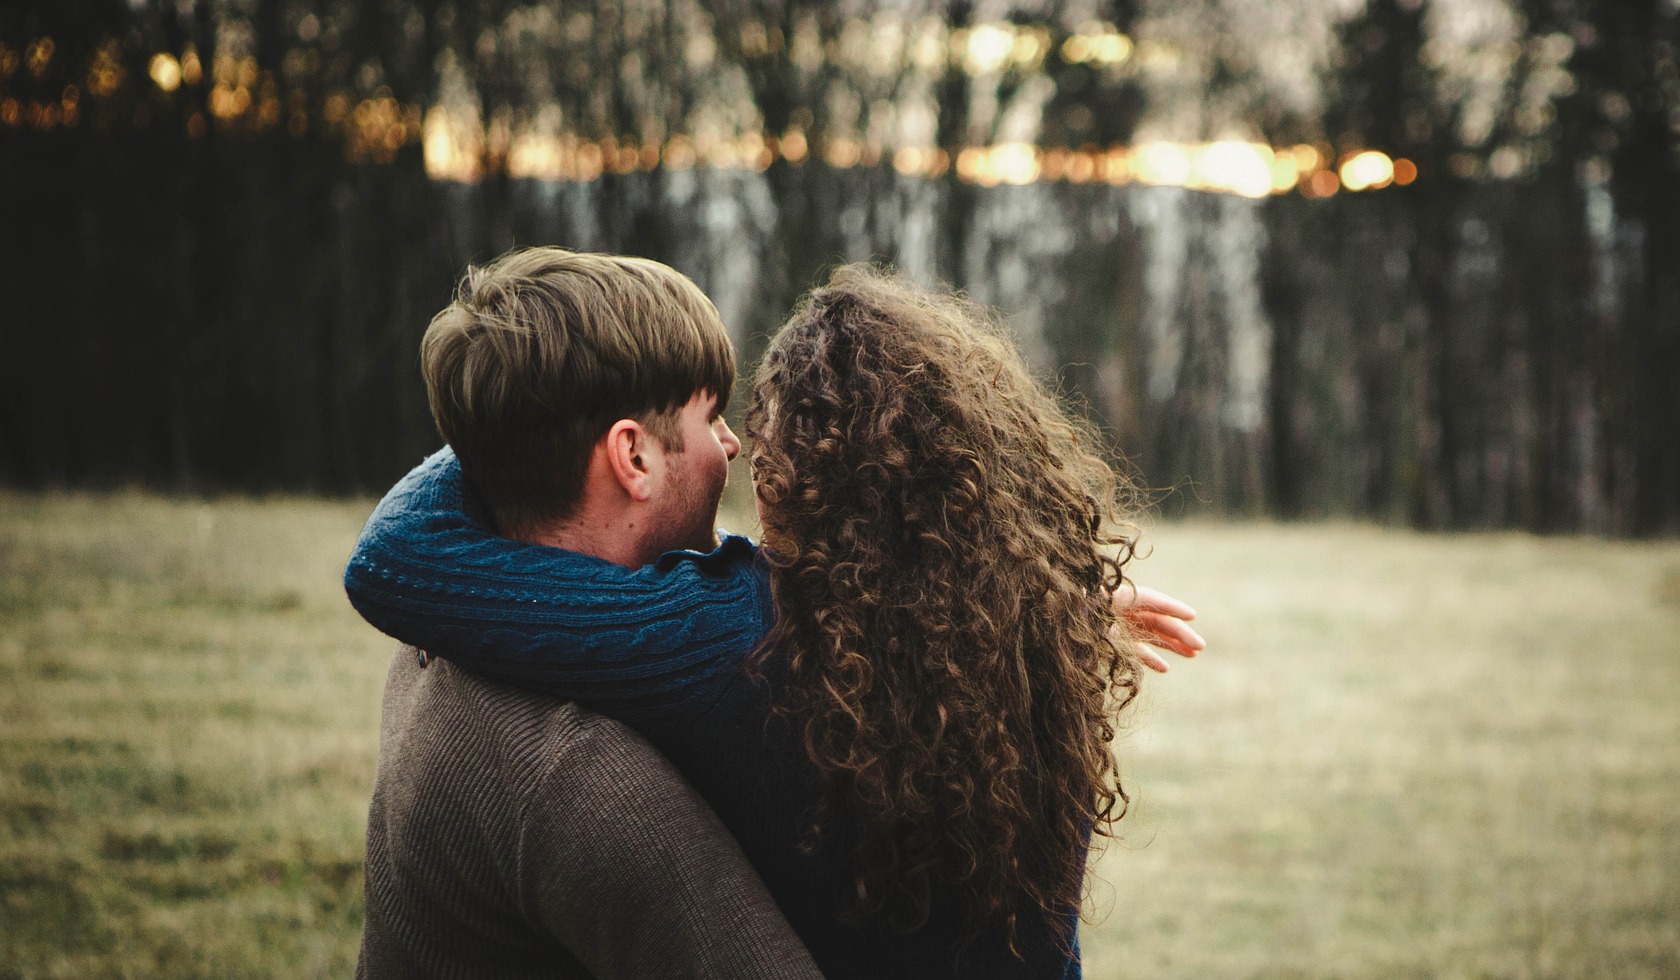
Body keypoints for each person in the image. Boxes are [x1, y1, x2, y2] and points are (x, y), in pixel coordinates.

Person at [346, 257, 1203, 977]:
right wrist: (1032, 589)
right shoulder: (1020, 660)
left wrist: (511, 411)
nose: (733, 452)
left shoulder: (729, 638)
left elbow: (394, 560)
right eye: (713, 416)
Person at [352, 249, 821, 979]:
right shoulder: (577, 772)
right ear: (632, 455)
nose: (732, 444)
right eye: (712, 415)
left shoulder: (443, 633)